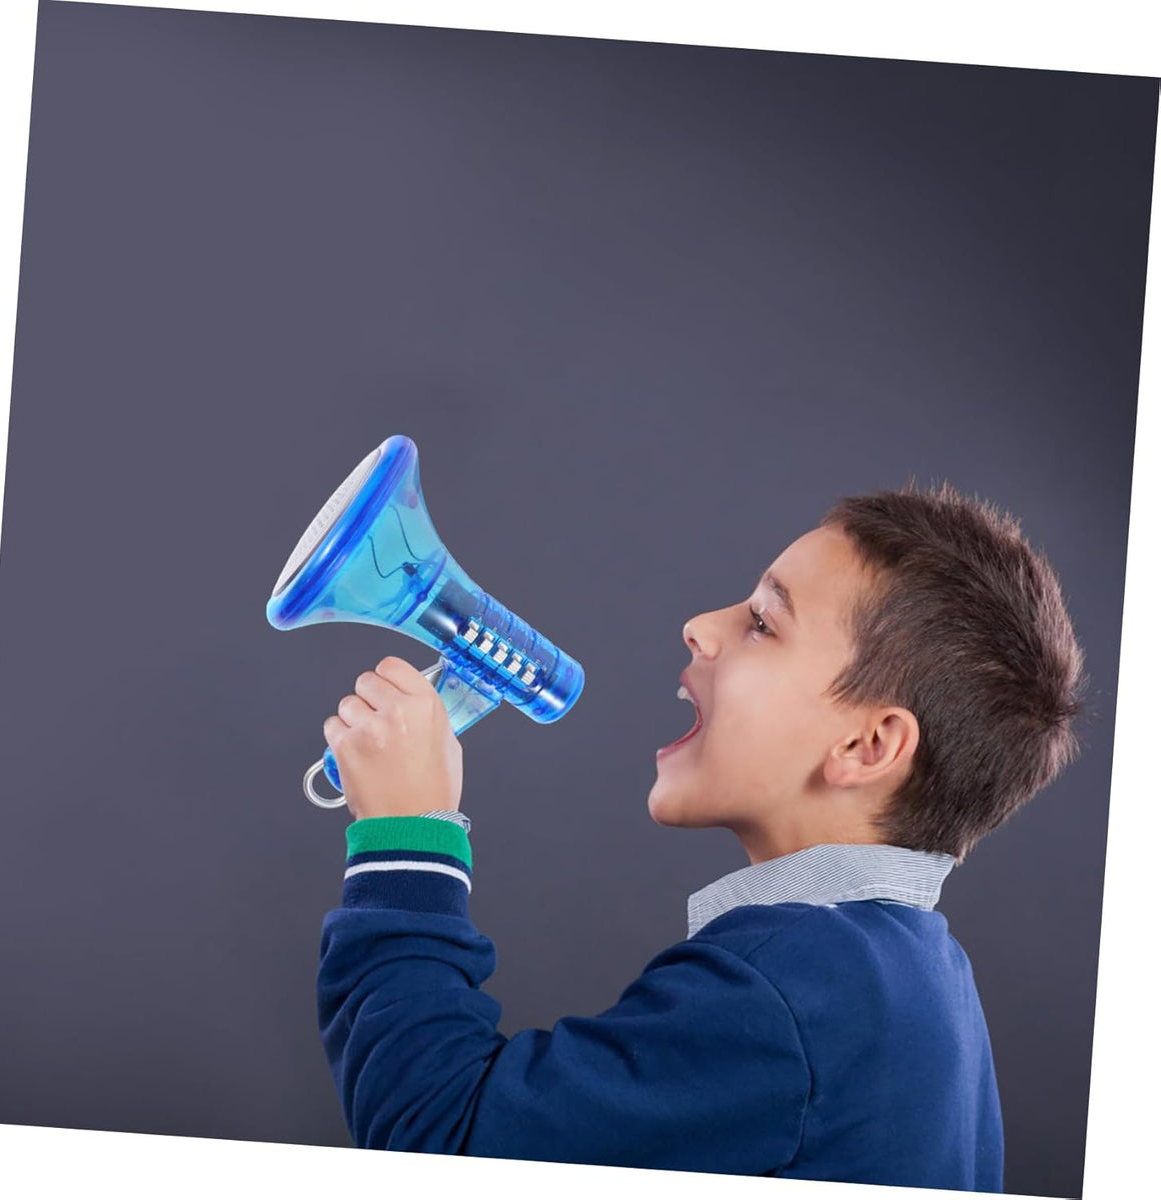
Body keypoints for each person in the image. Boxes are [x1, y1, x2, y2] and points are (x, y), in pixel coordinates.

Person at [316, 480, 1089, 1189]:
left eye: (762, 623)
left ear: (867, 746)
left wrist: (404, 837)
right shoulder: (918, 972)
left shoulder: (794, 989)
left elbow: (439, 1144)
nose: (699, 627)